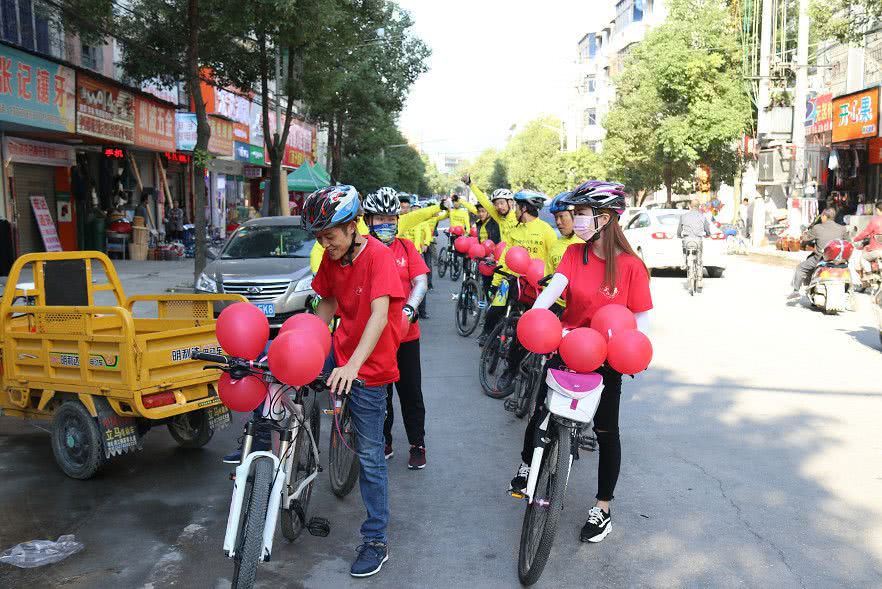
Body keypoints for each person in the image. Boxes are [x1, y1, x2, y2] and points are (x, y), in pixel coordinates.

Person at [510, 180, 652, 544]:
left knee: (607, 432)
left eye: (583, 213)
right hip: (568, 348)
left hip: (608, 358)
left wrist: (631, 349)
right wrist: (535, 320)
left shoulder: (633, 267)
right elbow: (550, 294)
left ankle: (602, 509)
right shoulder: (574, 254)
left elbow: (642, 320)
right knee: (542, 410)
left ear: (605, 219)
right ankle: (528, 465)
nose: (576, 220)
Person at [304, 185, 405, 578]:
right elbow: (327, 304)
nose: (324, 243)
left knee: (369, 455)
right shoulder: (334, 258)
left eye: (329, 234)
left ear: (352, 226)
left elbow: (379, 317)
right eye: (318, 237)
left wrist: (352, 368)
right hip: (342, 348)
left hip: (371, 365)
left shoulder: (379, 257)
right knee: (283, 383)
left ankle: (376, 539)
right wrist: (304, 342)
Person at [361, 190, 430, 470]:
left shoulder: (406, 248)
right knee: (381, 393)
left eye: (392, 218)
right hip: (373, 336)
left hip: (405, 334)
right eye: (381, 218)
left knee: (410, 392)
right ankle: (384, 440)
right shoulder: (362, 249)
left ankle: (417, 443)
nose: (387, 223)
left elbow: (420, 282)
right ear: (369, 220)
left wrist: (410, 309)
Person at [789, 207, 848, 299]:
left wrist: (804, 234)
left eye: (821, 215)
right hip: (838, 260)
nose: (821, 217)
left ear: (824, 216)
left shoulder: (817, 228)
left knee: (800, 268)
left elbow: (805, 239)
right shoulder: (842, 228)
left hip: (821, 258)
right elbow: (847, 241)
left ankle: (796, 291)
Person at [677, 199, 712, 292]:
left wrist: (679, 235)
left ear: (690, 206)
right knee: (699, 258)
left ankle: (684, 262)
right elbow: (707, 229)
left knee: (685, 249)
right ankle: (700, 280)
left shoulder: (683, 216)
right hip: (698, 240)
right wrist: (708, 234)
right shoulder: (703, 217)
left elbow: (679, 230)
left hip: (687, 240)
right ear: (699, 206)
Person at [853, 202, 882, 276]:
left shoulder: (875, 220)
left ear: (877, 210)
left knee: (863, 258)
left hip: (877, 250)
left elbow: (866, 233)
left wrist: (855, 239)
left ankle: (870, 275)